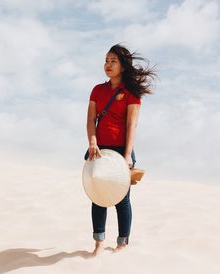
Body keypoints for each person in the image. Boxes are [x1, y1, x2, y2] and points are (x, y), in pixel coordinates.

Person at [85, 44, 157, 255]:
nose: (107, 65)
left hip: (121, 150)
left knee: (121, 199)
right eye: (106, 60)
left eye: (113, 61)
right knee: (98, 196)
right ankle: (98, 243)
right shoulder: (98, 90)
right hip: (99, 149)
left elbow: (131, 125)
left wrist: (127, 155)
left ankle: (122, 243)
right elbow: (90, 120)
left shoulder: (131, 93)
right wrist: (92, 141)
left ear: (123, 66)